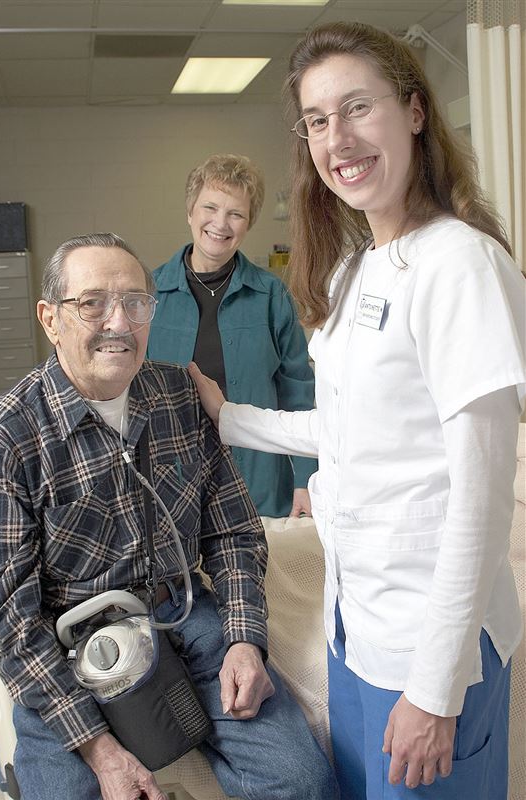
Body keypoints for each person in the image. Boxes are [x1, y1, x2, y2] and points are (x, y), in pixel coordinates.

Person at [188, 21, 526, 800]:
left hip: (430, 646)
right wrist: (226, 415)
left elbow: (480, 496)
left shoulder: (460, 264)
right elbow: (346, 436)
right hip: (357, 628)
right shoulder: (354, 270)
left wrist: (435, 690)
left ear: (413, 111)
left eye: (356, 108)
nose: (336, 138)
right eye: (315, 120)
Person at [0, 233, 338, 800]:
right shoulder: (11, 437)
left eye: (135, 303)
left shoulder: (179, 394)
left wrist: (245, 643)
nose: (119, 323)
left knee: (301, 781)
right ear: (50, 319)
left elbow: (233, 532)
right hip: (71, 647)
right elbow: (14, 621)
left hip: (181, 616)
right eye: (93, 303)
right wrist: (100, 750)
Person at [146, 153, 317, 519]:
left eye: (235, 214)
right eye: (210, 207)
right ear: (190, 211)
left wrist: (306, 477)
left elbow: (298, 390)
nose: (220, 224)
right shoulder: (150, 293)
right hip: (171, 480)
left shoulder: (270, 295)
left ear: (248, 223)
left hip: (259, 478)